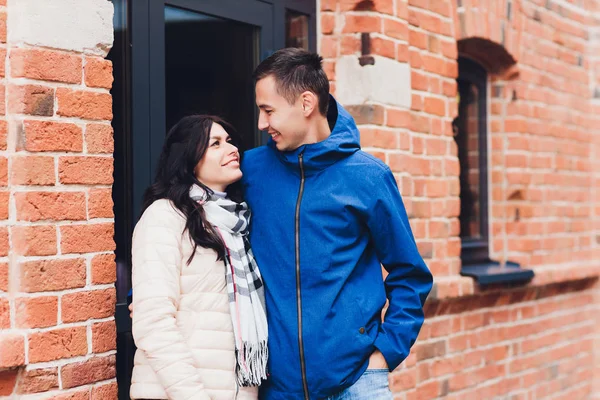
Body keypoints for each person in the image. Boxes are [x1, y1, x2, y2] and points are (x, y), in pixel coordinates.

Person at [240, 48, 433, 400]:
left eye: (268, 111)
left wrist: (384, 354)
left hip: (356, 384)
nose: (261, 124)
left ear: (306, 103)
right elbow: (197, 217)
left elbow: (410, 274)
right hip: (275, 389)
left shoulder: (368, 177)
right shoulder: (251, 171)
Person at [129, 115, 268, 400]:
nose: (232, 149)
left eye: (229, 141)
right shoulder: (165, 216)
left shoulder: (236, 226)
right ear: (189, 159)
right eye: (215, 144)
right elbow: (153, 322)